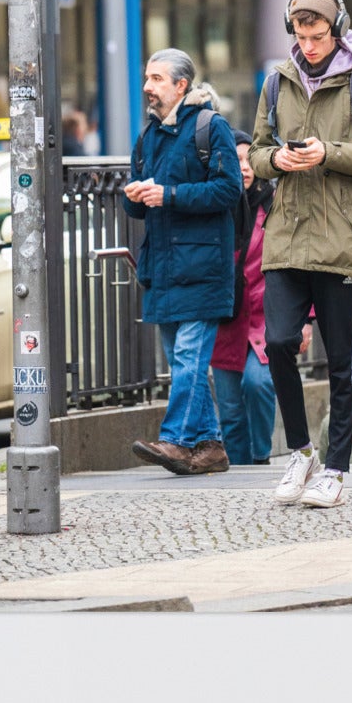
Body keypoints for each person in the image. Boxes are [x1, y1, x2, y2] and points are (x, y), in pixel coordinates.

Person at [248, 0, 352, 509]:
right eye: (301, 35)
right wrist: (277, 162)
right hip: (286, 236)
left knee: (341, 363)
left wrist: (327, 153)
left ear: (337, 29)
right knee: (280, 343)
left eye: (318, 35)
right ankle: (301, 452)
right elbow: (258, 153)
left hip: (342, 242)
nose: (309, 45)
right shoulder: (275, 82)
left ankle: (335, 468)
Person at [122, 49, 242, 475]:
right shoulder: (149, 136)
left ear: (181, 86)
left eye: (156, 79)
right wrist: (133, 196)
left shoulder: (212, 128)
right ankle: (210, 447)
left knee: (189, 359)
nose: (147, 87)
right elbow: (138, 206)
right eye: (147, 78)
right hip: (164, 268)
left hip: (203, 268)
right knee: (181, 363)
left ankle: (174, 440)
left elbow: (230, 190)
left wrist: (169, 195)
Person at [211, 146, 277, 465]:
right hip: (226, 320)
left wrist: (307, 318)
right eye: (236, 160)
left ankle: (261, 455)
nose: (245, 167)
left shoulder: (274, 206)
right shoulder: (216, 209)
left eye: (250, 159)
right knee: (231, 411)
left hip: (266, 319)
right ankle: (239, 472)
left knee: (258, 382)